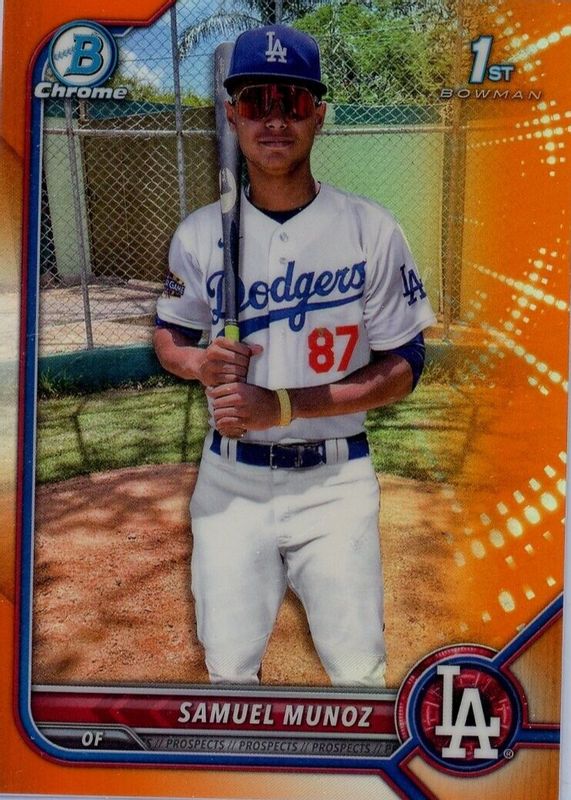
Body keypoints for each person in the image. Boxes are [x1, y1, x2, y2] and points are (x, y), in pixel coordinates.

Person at [153, 24, 436, 686]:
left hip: (335, 484)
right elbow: (170, 335)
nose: (275, 119)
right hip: (229, 482)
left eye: (294, 101)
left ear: (319, 114)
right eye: (257, 101)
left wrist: (280, 404)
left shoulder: (370, 229)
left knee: (357, 672)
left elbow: (405, 365)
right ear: (233, 115)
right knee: (228, 670)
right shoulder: (198, 234)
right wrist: (198, 364)